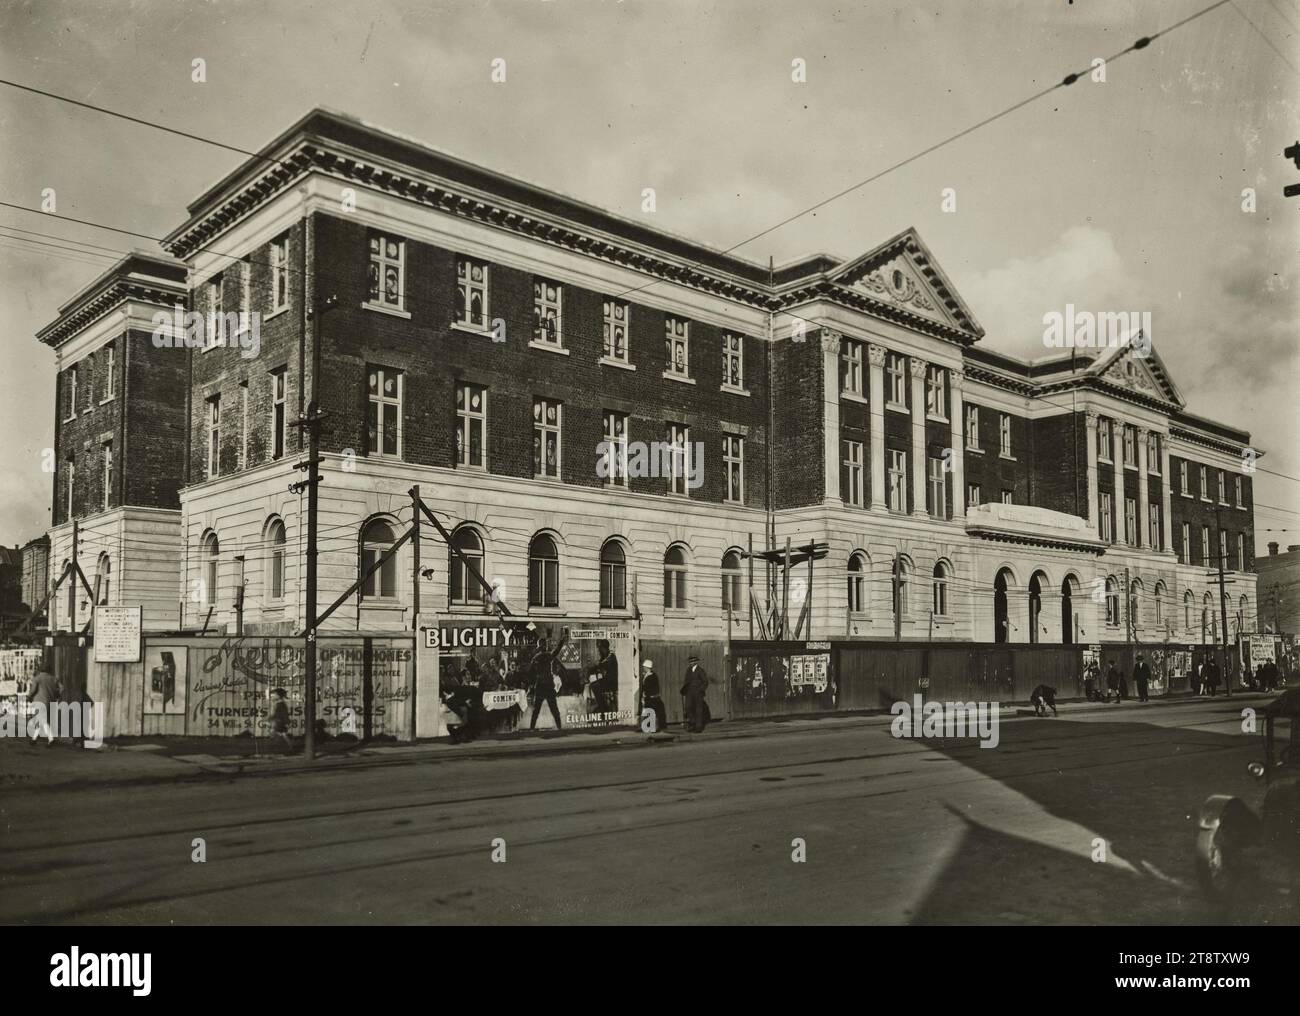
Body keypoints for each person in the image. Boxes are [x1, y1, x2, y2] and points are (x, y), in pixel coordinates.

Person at [529, 637, 562, 731]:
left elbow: (530, 673)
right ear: (546, 646)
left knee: (536, 711)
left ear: (538, 647)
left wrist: (531, 685)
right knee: (554, 710)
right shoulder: (549, 655)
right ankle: (560, 728)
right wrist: (562, 641)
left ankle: (531, 729)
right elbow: (557, 650)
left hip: (540, 686)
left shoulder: (535, 658)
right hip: (548, 686)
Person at [28, 663, 60, 747]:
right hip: (50, 702)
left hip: (39, 702)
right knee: (39, 720)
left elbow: (33, 690)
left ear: (41, 670)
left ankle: (51, 738)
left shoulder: (37, 678)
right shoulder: (54, 679)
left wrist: (29, 696)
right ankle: (34, 739)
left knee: (43, 721)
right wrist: (56, 696)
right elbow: (61, 688)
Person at [681, 654, 710, 733]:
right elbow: (686, 681)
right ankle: (693, 723)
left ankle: (698, 727)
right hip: (689, 692)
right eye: (690, 661)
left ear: (696, 662)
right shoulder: (688, 670)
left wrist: (700, 690)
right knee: (688, 707)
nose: (691, 663)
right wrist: (684, 689)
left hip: (698, 693)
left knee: (698, 709)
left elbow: (705, 682)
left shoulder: (700, 670)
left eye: (693, 661)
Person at [639, 659, 667, 733]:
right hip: (647, 697)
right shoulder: (646, 675)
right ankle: (648, 727)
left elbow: (653, 688)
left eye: (644, 667)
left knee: (651, 712)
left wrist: (648, 695)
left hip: (651, 697)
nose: (643, 668)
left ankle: (652, 727)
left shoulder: (652, 676)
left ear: (647, 667)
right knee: (648, 712)